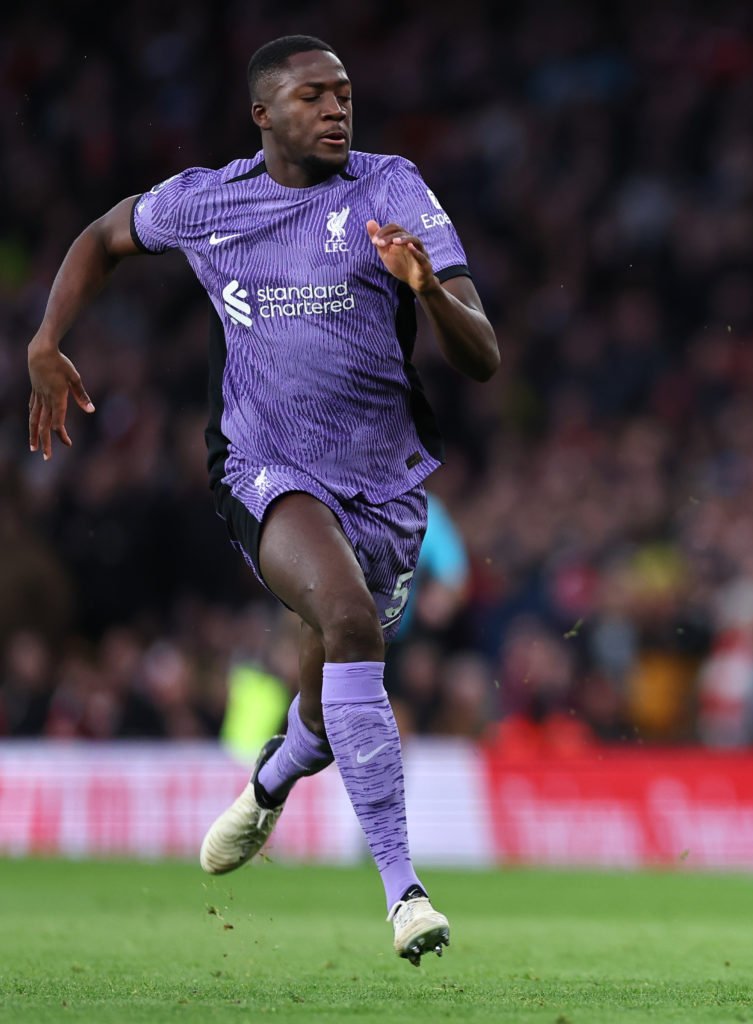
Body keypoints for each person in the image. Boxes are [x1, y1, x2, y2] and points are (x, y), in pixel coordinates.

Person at [25, 35, 499, 966]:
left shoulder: (391, 189)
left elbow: (482, 357)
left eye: (345, 95)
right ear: (263, 115)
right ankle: (405, 893)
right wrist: (47, 338)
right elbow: (102, 236)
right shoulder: (210, 200)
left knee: (329, 687)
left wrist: (428, 293)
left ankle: (276, 774)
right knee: (350, 623)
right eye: (313, 96)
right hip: (261, 467)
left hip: (385, 482)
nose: (336, 110)